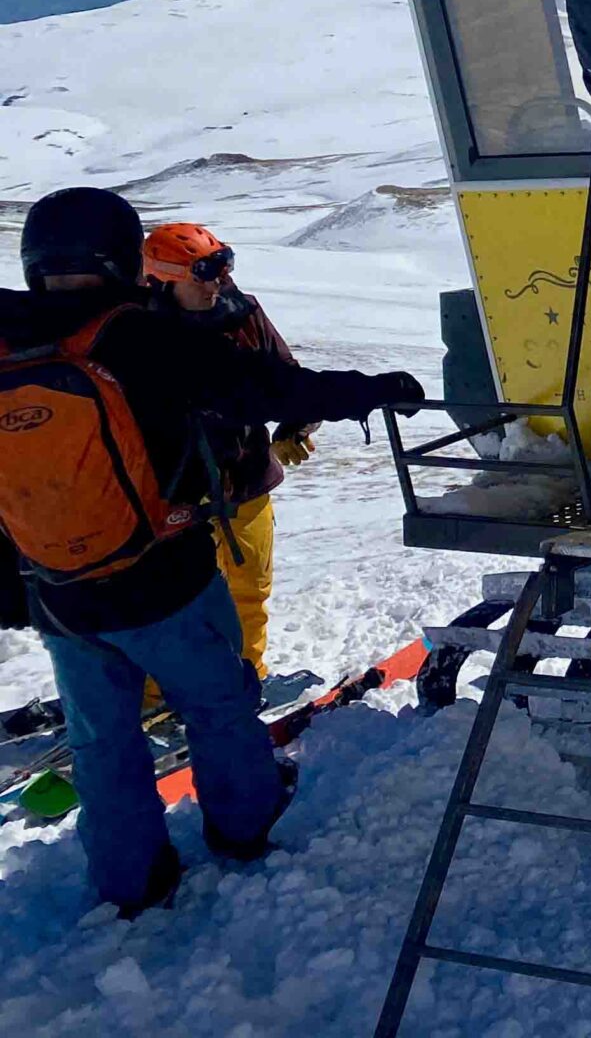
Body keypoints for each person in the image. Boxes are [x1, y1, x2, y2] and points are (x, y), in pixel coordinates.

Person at [0, 187, 422, 916]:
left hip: (60, 592)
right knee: (219, 705)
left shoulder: (5, 337)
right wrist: (371, 389)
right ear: (118, 254)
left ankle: (129, 881)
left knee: (101, 742)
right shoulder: (134, 336)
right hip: (164, 577)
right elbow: (261, 387)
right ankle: (242, 826)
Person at [141, 222, 301, 679]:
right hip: (171, 492)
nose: (217, 282)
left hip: (245, 479)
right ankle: (157, 694)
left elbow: (286, 378)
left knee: (249, 590)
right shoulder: (134, 330)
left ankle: (247, 676)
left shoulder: (242, 314)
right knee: (168, 601)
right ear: (165, 278)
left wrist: (294, 422)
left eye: (222, 269)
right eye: (203, 274)